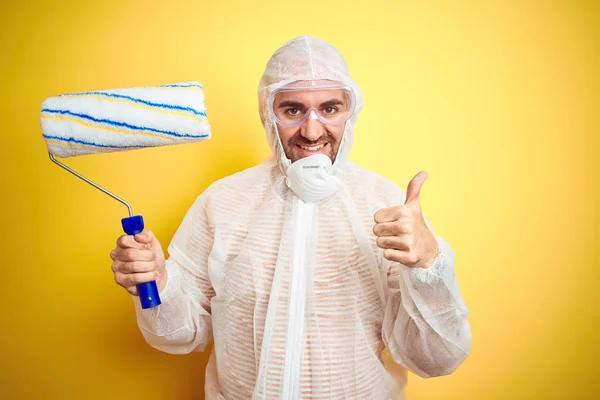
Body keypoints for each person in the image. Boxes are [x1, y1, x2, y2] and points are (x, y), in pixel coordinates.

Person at [110, 35, 472, 400]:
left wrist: (429, 266)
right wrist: (156, 282)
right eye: (293, 110)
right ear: (268, 113)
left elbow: (436, 360)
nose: (312, 131)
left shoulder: (387, 206)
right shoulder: (222, 202)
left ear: (352, 110)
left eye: (329, 109)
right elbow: (179, 333)